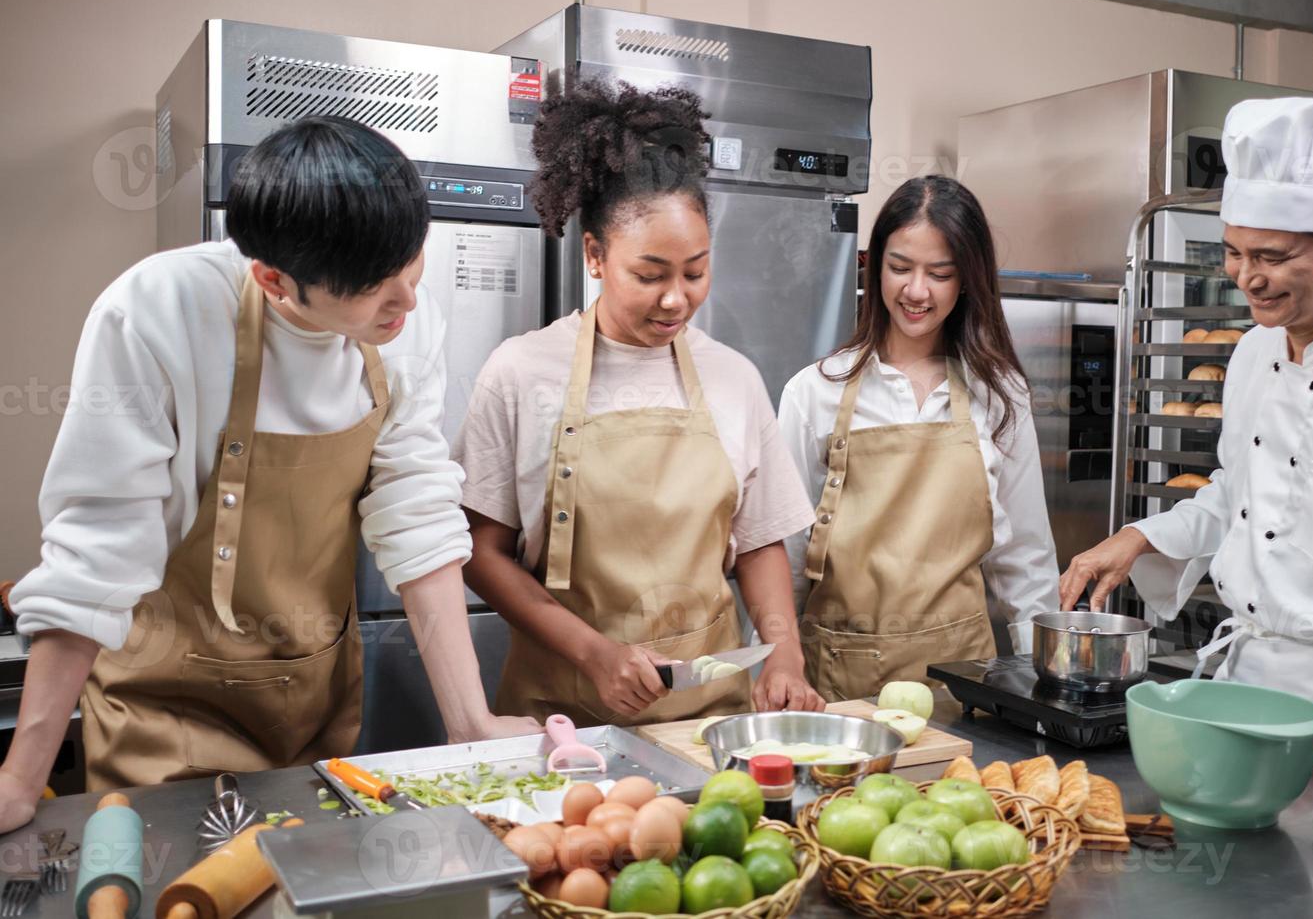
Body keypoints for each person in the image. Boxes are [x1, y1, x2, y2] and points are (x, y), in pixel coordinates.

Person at [0, 116, 539, 830]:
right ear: (273, 278)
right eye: (378, 289)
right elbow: (97, 550)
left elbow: (417, 513)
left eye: (413, 268)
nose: (408, 303)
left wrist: (470, 721)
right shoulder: (159, 312)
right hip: (167, 714)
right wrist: (18, 779)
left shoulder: (406, 319)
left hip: (313, 704)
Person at [1060, 97, 1313, 783]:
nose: (1247, 277)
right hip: (1244, 694)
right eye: (1234, 252)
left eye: (1272, 257)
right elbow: (1240, 495)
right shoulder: (1254, 354)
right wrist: (1142, 537)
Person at [453, 78, 824, 724]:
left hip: (708, 717)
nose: (676, 298)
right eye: (650, 275)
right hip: (566, 715)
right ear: (595, 255)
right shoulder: (520, 371)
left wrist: (784, 654)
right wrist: (594, 653)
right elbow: (482, 555)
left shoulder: (733, 378)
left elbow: (759, 537)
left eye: (696, 272)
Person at [779, 176, 1058, 701]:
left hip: (962, 681)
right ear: (874, 264)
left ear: (968, 280)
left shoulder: (999, 395)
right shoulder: (813, 392)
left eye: (940, 273)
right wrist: (779, 665)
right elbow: (787, 555)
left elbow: (1025, 557)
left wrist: (1040, 680)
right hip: (839, 686)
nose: (916, 291)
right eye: (900, 267)